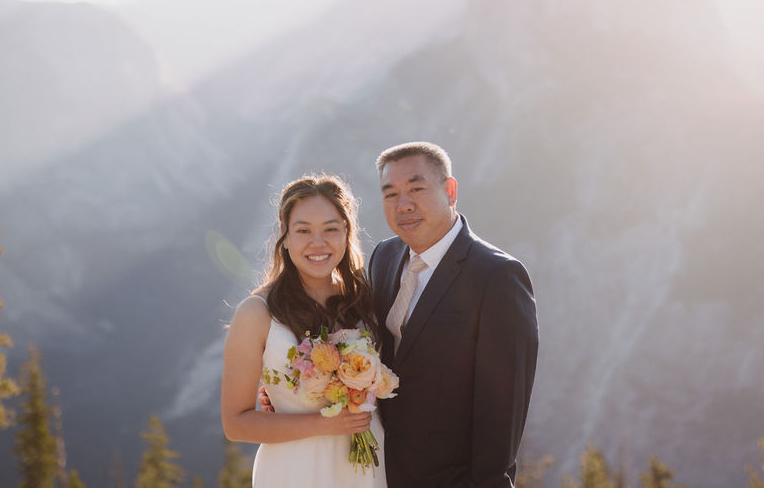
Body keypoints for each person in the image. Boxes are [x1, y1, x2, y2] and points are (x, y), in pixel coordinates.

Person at [369, 141, 539, 487]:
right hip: (379, 473)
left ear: (450, 191)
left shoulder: (496, 276)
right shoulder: (383, 258)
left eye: (416, 189)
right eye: (391, 194)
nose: (403, 205)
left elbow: (502, 409)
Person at [220, 175, 387, 488]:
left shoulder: (366, 301)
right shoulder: (256, 313)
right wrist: (324, 423)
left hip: (368, 469)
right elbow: (235, 424)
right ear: (285, 237)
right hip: (295, 470)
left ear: (347, 233)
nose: (318, 242)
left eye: (331, 229)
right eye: (303, 230)